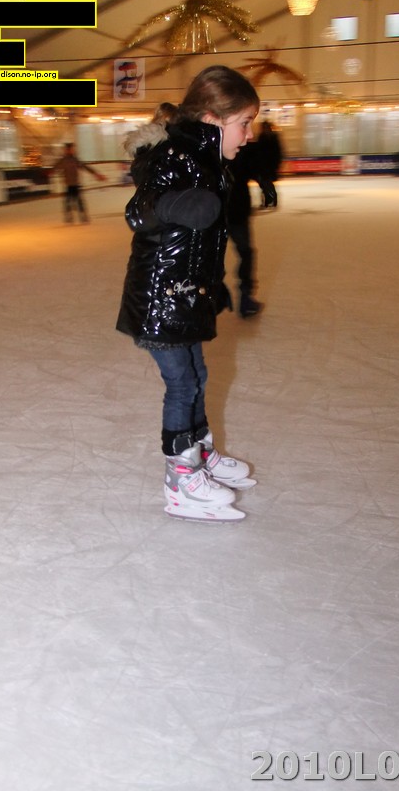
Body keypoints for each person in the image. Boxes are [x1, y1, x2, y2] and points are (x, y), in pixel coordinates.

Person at [117, 65, 260, 522]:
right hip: (160, 299)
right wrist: (174, 205)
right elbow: (139, 210)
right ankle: (181, 477)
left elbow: (202, 244)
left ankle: (199, 452)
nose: (249, 135)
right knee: (182, 383)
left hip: (185, 295)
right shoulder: (178, 156)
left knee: (196, 375)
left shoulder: (208, 161)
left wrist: (212, 290)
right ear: (214, 120)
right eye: (244, 123)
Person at [225, 140, 267, 318]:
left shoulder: (241, 146)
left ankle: (245, 297)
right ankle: (245, 297)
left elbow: (253, 168)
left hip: (230, 209)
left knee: (245, 252)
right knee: (245, 252)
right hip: (226, 210)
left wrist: (264, 182)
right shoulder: (238, 147)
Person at [50, 142, 106, 223]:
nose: (72, 151)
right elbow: (56, 167)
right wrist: (51, 172)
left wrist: (96, 174)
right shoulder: (63, 160)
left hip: (76, 184)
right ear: (66, 150)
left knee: (79, 201)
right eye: (70, 149)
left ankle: (83, 216)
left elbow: (86, 167)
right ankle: (69, 216)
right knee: (68, 201)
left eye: (72, 149)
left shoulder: (75, 160)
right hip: (68, 184)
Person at [256, 120, 283, 208]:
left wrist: (277, 163)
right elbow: (258, 151)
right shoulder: (262, 137)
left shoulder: (273, 137)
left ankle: (271, 199)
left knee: (267, 183)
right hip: (263, 165)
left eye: (266, 127)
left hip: (271, 164)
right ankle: (267, 200)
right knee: (264, 183)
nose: (264, 129)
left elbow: (278, 151)